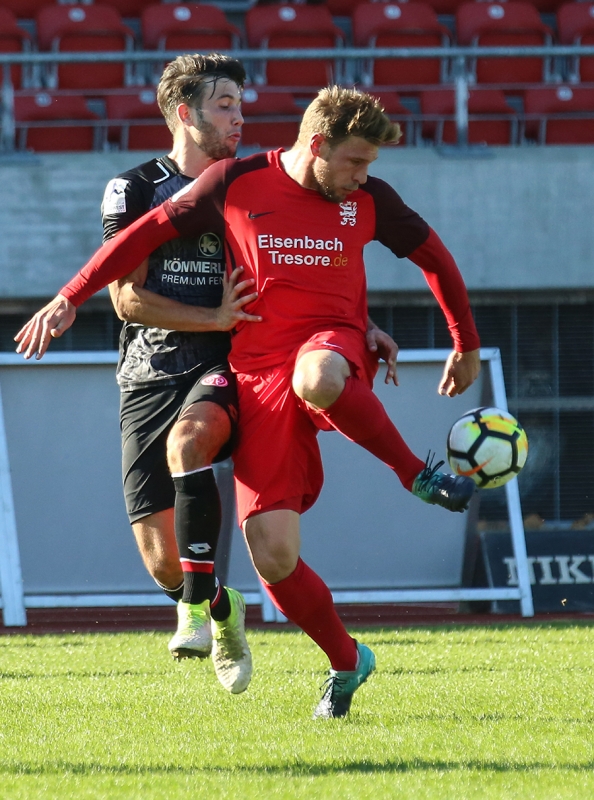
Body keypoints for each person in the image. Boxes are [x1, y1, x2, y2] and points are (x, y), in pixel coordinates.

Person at [16, 86, 481, 719]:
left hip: (331, 346)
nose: (362, 175)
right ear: (316, 144)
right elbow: (143, 236)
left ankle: (417, 475)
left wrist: (465, 343)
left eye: (370, 164)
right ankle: (347, 662)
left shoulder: (370, 199)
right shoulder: (235, 182)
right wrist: (70, 295)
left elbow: (436, 259)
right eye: (354, 161)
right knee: (273, 556)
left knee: (317, 376)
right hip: (255, 379)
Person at [17, 53, 262, 694]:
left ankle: (197, 612)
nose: (239, 118)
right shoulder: (132, 189)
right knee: (161, 561)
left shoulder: (251, 185)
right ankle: (219, 605)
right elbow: (128, 300)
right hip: (149, 371)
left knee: (193, 441)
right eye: (225, 106)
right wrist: (213, 315)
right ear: (184, 113)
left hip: (226, 365)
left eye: (240, 105)